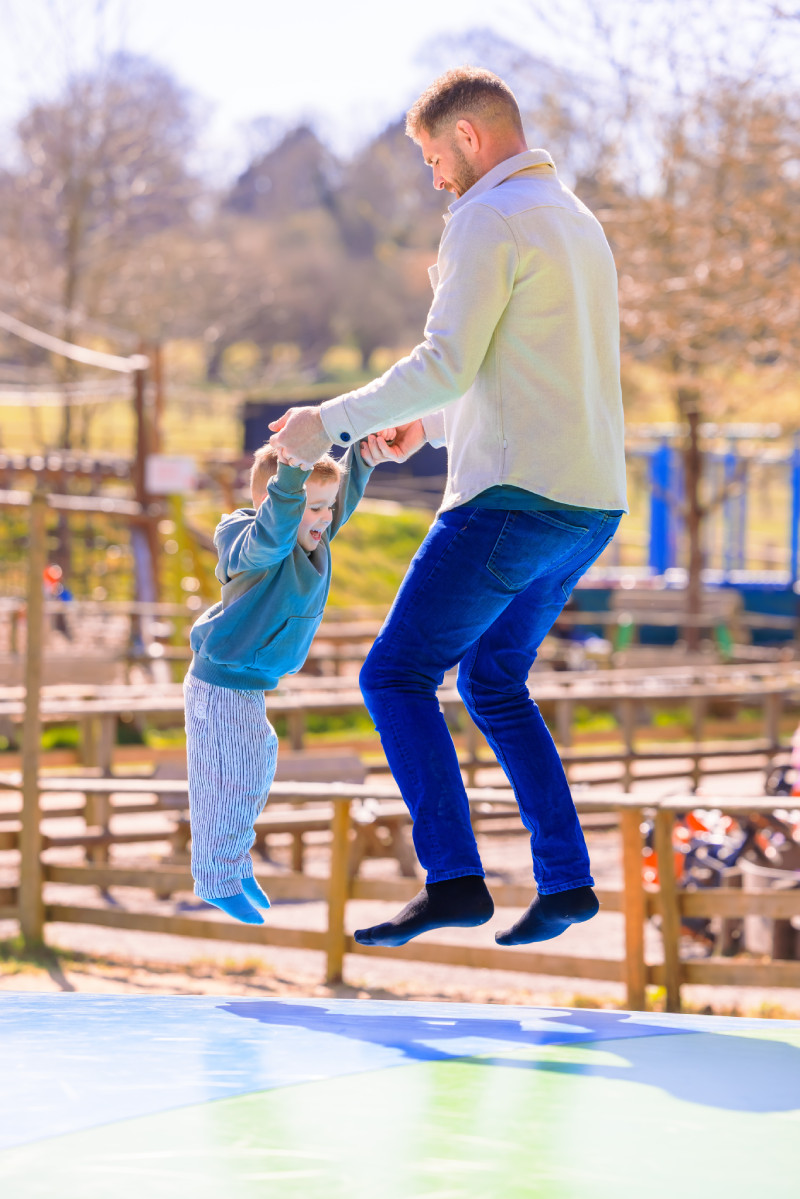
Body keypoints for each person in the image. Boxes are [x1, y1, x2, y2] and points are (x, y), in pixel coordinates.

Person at [270, 66, 628, 948]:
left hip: (509, 503)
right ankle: (567, 882)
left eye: (434, 157)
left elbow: (446, 359)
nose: (433, 178)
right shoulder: (577, 223)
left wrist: (329, 421)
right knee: (494, 681)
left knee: (393, 675)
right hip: (589, 504)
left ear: (469, 137)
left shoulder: (485, 216)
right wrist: (422, 431)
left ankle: (456, 880)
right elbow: (515, 363)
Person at [184, 439, 377, 923]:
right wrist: (289, 479)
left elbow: (340, 497)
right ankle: (217, 876)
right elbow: (272, 533)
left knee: (249, 769)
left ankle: (229, 863)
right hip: (221, 681)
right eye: (311, 507)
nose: (324, 518)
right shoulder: (245, 540)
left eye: (327, 507)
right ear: (278, 500)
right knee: (233, 776)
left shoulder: (315, 538)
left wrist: (367, 455)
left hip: (243, 684)